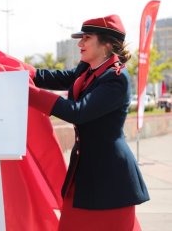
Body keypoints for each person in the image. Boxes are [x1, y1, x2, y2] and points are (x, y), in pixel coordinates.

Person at [28, 14, 149, 230]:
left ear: (107, 43)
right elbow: (56, 77)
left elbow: (78, 112)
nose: (80, 43)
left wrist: (28, 93)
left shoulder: (117, 78)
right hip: (84, 173)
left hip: (111, 177)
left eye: (86, 38)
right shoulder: (86, 69)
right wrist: (22, 72)